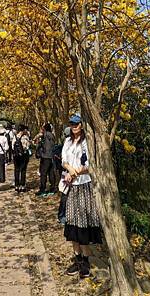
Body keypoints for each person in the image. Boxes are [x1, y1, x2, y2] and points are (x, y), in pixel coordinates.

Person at [61, 113, 102, 279]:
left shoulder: (87, 142)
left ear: (82, 125)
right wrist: (69, 169)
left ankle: (86, 262)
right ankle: (77, 260)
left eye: (76, 124)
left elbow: (90, 164)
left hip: (84, 185)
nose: (74, 126)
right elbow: (63, 159)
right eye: (72, 124)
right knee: (72, 223)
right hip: (71, 186)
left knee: (83, 223)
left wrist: (76, 171)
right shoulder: (68, 141)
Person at [54, 126, 71, 224]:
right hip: (68, 172)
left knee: (65, 194)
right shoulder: (68, 142)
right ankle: (62, 215)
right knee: (66, 194)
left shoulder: (66, 142)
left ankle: (62, 215)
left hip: (66, 172)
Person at [35, 123, 56, 196]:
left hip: (45, 157)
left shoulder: (46, 134)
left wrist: (36, 138)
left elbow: (38, 136)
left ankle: (42, 190)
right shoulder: (52, 135)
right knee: (51, 173)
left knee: (43, 173)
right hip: (51, 156)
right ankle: (52, 189)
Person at [12, 125, 31, 192]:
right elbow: (27, 147)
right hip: (24, 155)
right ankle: (22, 185)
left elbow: (12, 146)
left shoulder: (15, 137)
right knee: (23, 170)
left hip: (16, 156)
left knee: (16, 170)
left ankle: (17, 185)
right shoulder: (25, 137)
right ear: (23, 130)